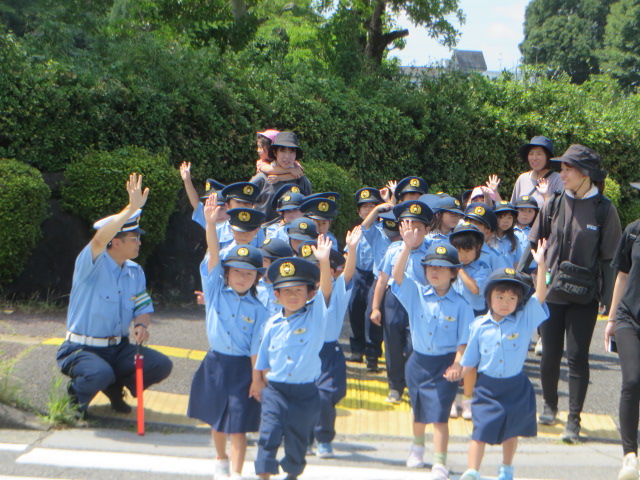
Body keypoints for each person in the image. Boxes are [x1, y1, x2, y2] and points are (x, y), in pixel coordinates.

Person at [56, 173, 173, 419]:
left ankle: (113, 386)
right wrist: (131, 208)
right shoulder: (91, 264)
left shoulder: (134, 271)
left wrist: (141, 324)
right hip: (81, 348)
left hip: (117, 348)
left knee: (160, 364)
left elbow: (142, 305)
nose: (139, 242)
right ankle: (76, 396)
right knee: (98, 372)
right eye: (134, 238)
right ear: (115, 243)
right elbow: (99, 239)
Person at [527, 144, 622, 443]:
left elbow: (610, 261)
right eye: (563, 168)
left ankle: (574, 420)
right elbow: (534, 243)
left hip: (585, 296)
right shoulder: (553, 203)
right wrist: (528, 281)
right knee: (549, 354)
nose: (561, 174)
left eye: (567, 169)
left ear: (585, 174)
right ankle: (550, 406)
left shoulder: (604, 210)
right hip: (552, 292)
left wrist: (609, 302)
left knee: (579, 357)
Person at [188, 193, 269, 480]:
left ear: (257, 278)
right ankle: (220, 459)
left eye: (249, 274)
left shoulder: (259, 309)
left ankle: (236, 472)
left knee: (239, 425)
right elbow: (213, 255)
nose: (242, 278)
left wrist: (257, 379)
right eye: (236, 272)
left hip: (242, 369)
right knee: (217, 419)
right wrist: (210, 224)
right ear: (226, 273)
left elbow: (256, 347)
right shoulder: (214, 292)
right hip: (216, 363)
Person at [457, 242, 549, 480]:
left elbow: (539, 296)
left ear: (519, 301)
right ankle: (472, 471)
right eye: (500, 296)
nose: (506, 302)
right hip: (487, 387)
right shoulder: (478, 325)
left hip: (515, 387)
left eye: (512, 297)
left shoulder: (524, 320)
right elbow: (470, 361)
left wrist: (541, 266)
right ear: (489, 298)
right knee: (480, 431)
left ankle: (506, 468)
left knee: (511, 431)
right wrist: (458, 372)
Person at [392, 237, 473, 479]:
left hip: (444, 364)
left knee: (439, 415)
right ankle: (417, 448)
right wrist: (407, 247)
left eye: (441, 267)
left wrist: (458, 364)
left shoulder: (461, 304)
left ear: (453, 273)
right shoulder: (416, 293)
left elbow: (464, 341)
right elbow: (397, 277)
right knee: (418, 410)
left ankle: (440, 462)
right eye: (430, 266)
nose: (434, 271)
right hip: (418, 362)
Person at [254, 238, 333, 480]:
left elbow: (327, 291)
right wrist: (257, 381)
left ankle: (292, 475)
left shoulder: (315, 318)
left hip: (305, 393)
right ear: (276, 294)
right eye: (286, 291)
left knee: (298, 441)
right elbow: (262, 358)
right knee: (268, 434)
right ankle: (264, 475)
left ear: (310, 294)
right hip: (275, 390)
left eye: (299, 290)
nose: (292, 296)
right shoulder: (271, 324)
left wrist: (324, 261)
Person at [373, 199, 434, 404]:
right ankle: (395, 386)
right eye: (408, 226)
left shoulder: (434, 250)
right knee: (393, 344)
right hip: (395, 301)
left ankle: (414, 383)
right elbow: (382, 280)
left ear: (427, 229)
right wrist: (375, 307)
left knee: (415, 345)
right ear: (400, 227)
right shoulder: (394, 249)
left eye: (418, 228)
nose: (413, 232)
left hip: (421, 302)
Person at [604, 181, 640, 480]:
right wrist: (613, 318)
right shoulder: (634, 231)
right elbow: (622, 275)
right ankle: (630, 455)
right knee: (632, 381)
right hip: (630, 317)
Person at [346, 188, 383, 364]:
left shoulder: (383, 228)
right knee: (355, 310)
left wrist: (388, 199)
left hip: (376, 276)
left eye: (372, 206)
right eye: (364, 207)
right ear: (358, 211)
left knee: (373, 313)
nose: (368, 210)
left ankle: (372, 353)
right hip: (358, 274)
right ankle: (357, 349)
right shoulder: (357, 229)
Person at [250, 131, 313, 221]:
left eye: (291, 152)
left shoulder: (302, 180)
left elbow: (308, 210)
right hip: (265, 233)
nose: (287, 156)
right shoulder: (261, 179)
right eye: (283, 151)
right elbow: (245, 202)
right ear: (275, 153)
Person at [511, 136, 564, 207]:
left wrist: (546, 195)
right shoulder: (522, 179)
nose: (534, 158)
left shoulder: (557, 179)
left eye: (539, 154)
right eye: (531, 154)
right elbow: (513, 208)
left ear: (548, 157)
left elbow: (559, 210)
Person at [493, 201, 523, 269]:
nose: (505, 221)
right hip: (492, 278)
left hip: (509, 277)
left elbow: (517, 264)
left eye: (509, 218)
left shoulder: (515, 240)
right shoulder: (488, 240)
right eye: (501, 217)